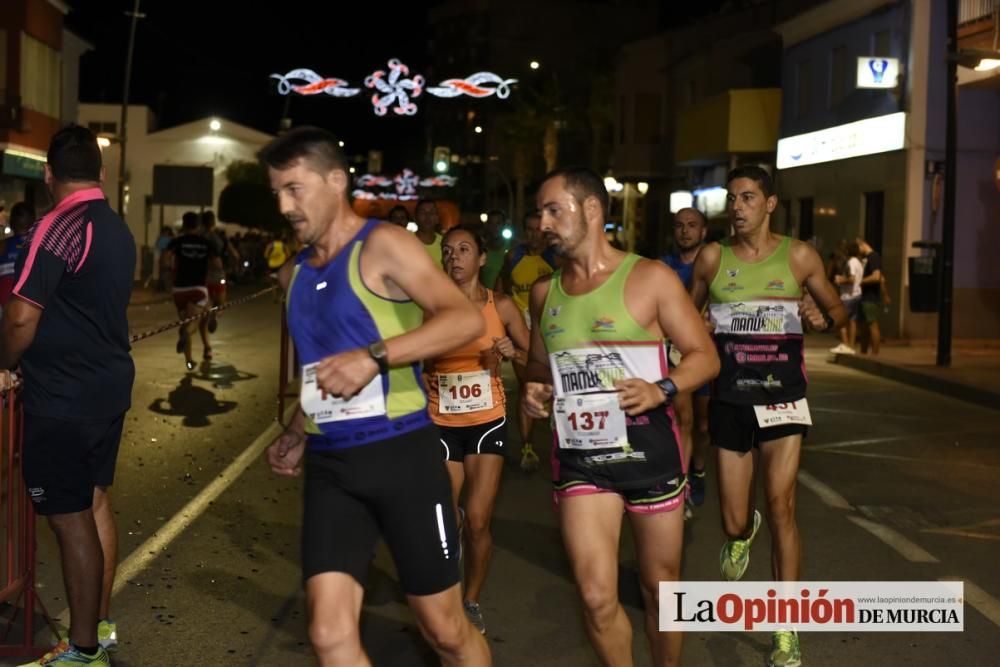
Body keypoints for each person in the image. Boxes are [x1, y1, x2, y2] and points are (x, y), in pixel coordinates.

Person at [259, 126, 491, 666]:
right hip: (331, 467)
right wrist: (296, 431)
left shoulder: (383, 245)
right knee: (328, 634)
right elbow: (324, 372)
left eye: (294, 189)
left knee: (446, 631)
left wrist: (375, 355)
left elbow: (461, 318)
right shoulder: (294, 273)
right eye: (276, 193)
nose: (284, 205)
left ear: (336, 181)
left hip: (402, 457)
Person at [522, 167, 719, 667]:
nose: (543, 222)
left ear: (591, 210)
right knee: (594, 596)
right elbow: (540, 366)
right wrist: (535, 391)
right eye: (540, 211)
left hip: (650, 454)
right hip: (581, 461)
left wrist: (662, 388)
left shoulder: (649, 277)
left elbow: (704, 355)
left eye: (553, 210)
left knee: (661, 592)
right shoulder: (545, 294)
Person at [689, 165, 846, 667]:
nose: (737, 207)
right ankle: (742, 532)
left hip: (783, 400)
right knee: (735, 521)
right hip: (731, 402)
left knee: (784, 508)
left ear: (770, 204)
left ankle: (787, 628)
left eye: (748, 197)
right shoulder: (712, 259)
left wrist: (825, 318)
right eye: (732, 198)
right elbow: (686, 319)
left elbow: (838, 312)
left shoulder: (799, 256)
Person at [0, 125, 135, 667]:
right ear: (101, 175)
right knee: (94, 501)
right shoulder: (117, 228)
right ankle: (99, 629)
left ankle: (82, 652)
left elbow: (21, 316)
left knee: (68, 517)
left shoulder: (54, 228)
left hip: (63, 398)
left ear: (49, 174)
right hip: (107, 388)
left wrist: (4, 363)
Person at [424, 224, 530, 635]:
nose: (454, 257)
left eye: (464, 250)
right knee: (447, 519)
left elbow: (530, 360)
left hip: (487, 421)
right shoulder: (430, 306)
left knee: (480, 521)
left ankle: (471, 601)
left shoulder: (499, 306)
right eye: (448, 251)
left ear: (482, 259)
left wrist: (512, 351)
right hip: (440, 422)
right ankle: (447, 595)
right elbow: (414, 361)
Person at [495, 210, 558, 472]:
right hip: (523, 329)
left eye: (538, 230)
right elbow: (502, 284)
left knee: (557, 389)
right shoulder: (514, 255)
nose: (534, 235)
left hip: (552, 329)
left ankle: (561, 442)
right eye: (529, 229)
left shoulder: (556, 257)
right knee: (526, 385)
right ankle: (528, 446)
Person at [660, 207, 712, 511]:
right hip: (674, 354)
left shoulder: (713, 266)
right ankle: (680, 484)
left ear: (703, 232)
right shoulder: (663, 268)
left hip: (706, 354)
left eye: (692, 225)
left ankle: (699, 469)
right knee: (684, 419)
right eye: (679, 225)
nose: (685, 231)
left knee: (704, 425)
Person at [165, 212, 221, 370]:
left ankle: (189, 361)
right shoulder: (206, 243)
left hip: (178, 290)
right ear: (198, 225)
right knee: (193, 323)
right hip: (197, 288)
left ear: (184, 224)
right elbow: (218, 265)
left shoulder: (177, 242)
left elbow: (165, 259)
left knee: (185, 321)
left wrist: (170, 270)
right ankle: (187, 331)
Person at [201, 210, 239, 334]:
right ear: (213, 221)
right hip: (219, 273)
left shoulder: (199, 237)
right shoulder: (220, 237)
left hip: (202, 275)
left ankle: (209, 313)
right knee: (221, 303)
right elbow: (235, 255)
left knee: (208, 300)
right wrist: (233, 267)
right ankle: (215, 314)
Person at [0, 202, 35, 308]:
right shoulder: (43, 247)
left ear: (11, 223)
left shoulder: (2, 246)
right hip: (32, 308)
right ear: (34, 222)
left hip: (5, 307)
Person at [830, 241, 863, 354]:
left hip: (848, 295)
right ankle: (851, 346)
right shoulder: (858, 262)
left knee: (841, 321)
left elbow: (852, 278)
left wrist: (840, 279)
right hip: (856, 294)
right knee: (853, 321)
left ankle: (845, 344)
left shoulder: (851, 262)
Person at [856, 236, 883, 355]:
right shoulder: (866, 258)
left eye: (857, 247)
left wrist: (861, 281)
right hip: (863, 296)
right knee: (863, 327)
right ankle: (863, 352)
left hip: (870, 297)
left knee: (872, 324)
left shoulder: (874, 257)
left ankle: (875, 354)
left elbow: (877, 277)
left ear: (862, 244)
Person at [479, 209, 510, 289]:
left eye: (498, 223)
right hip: (487, 297)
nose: (494, 227)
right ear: (487, 225)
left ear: (504, 225)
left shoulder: (513, 247)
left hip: (507, 297)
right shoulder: (482, 249)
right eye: (491, 223)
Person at [413, 198, 444, 265]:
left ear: (437, 218)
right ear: (415, 218)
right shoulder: (405, 240)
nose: (428, 216)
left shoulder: (444, 244)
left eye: (432, 212)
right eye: (423, 212)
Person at [153, 225, 175, 291]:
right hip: (166, 257)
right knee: (165, 272)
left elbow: (158, 247)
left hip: (165, 257)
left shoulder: (162, 238)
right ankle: (164, 287)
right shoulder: (170, 239)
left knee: (164, 272)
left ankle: (163, 287)